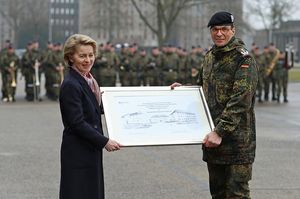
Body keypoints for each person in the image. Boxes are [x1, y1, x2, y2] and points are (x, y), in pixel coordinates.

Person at [172, 11, 258, 198]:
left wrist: (220, 131)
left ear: (233, 31)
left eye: (224, 29)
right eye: (215, 30)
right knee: (217, 193)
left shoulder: (243, 59)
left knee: (236, 194)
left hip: (237, 143)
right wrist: (183, 91)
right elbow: (201, 88)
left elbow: (240, 100)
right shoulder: (210, 57)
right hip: (213, 142)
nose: (219, 34)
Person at [59, 34, 121, 199]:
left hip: (89, 148)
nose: (88, 60)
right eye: (82, 56)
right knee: (79, 192)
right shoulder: (71, 84)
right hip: (78, 151)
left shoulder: (88, 80)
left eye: (91, 55)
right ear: (70, 57)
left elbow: (94, 109)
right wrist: (104, 141)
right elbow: (77, 123)